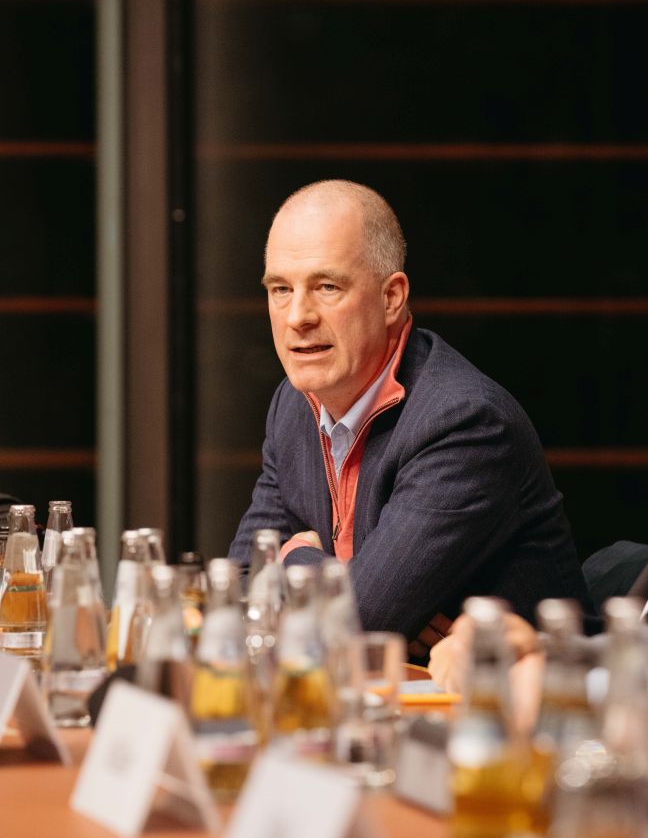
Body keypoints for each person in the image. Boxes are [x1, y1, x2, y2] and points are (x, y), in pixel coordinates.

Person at [229, 180, 592, 661]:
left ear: (392, 297)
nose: (297, 316)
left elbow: (361, 621)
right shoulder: (295, 404)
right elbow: (238, 588)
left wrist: (293, 557)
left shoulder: (465, 423)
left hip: (522, 701)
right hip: (384, 691)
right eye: (280, 289)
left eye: (327, 287)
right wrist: (353, 594)